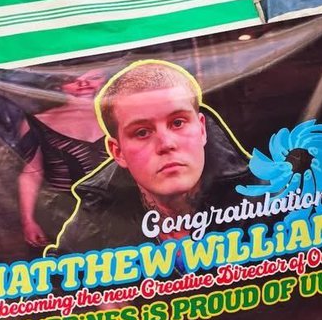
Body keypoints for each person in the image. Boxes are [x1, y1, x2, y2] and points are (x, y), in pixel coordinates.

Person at [51, 59, 250, 257]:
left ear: (201, 130)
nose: (166, 144)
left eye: (178, 123)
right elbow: (58, 280)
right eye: (142, 133)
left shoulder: (264, 194)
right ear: (118, 152)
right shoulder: (96, 219)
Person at [17, 69, 108, 248]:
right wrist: (27, 220)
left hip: (125, 212)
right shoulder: (37, 121)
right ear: (58, 83)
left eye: (94, 77)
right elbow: (31, 173)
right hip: (64, 217)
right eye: (72, 79)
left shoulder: (124, 114)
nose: (84, 85)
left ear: (105, 78)